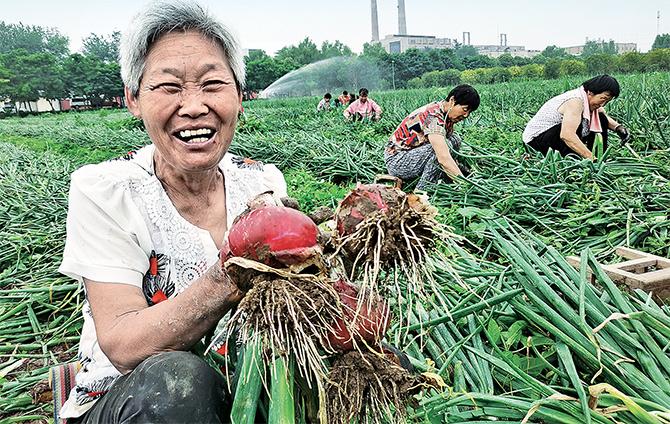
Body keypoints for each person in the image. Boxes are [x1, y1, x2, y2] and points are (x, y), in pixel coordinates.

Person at [57, 1, 287, 422]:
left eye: (213, 84)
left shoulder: (262, 184)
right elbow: (124, 345)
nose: (195, 106)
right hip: (134, 397)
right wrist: (230, 274)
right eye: (169, 87)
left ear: (239, 96)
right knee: (180, 382)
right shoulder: (106, 192)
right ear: (133, 100)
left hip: (243, 384)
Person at [384, 84, 480, 190]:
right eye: (465, 109)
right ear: (452, 100)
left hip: (413, 153)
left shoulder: (445, 113)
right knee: (440, 150)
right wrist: (465, 185)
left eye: (469, 112)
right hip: (398, 161)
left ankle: (444, 176)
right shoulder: (433, 116)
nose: (466, 115)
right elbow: (443, 158)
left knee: (455, 140)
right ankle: (422, 190)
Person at [523, 74, 631, 159]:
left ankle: (600, 155)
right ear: (590, 92)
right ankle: (574, 159)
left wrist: (618, 128)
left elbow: (603, 116)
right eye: (603, 99)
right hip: (535, 142)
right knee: (576, 126)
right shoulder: (575, 101)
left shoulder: (588, 101)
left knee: (600, 117)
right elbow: (567, 135)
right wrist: (590, 158)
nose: (603, 104)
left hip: (551, 137)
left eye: (607, 101)